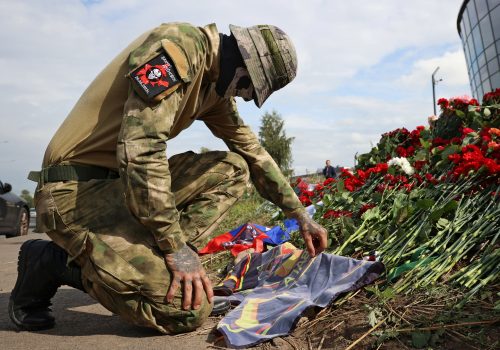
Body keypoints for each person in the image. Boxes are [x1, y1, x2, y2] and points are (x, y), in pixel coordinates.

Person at [9, 22, 328, 334]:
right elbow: (142, 151)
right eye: (249, 91)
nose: (244, 98)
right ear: (243, 69)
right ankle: (52, 262)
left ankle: (159, 262)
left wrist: (300, 215)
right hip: (73, 193)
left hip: (117, 189)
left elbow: (252, 153)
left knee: (232, 169)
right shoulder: (178, 48)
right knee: (185, 310)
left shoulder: (213, 90)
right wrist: (176, 248)